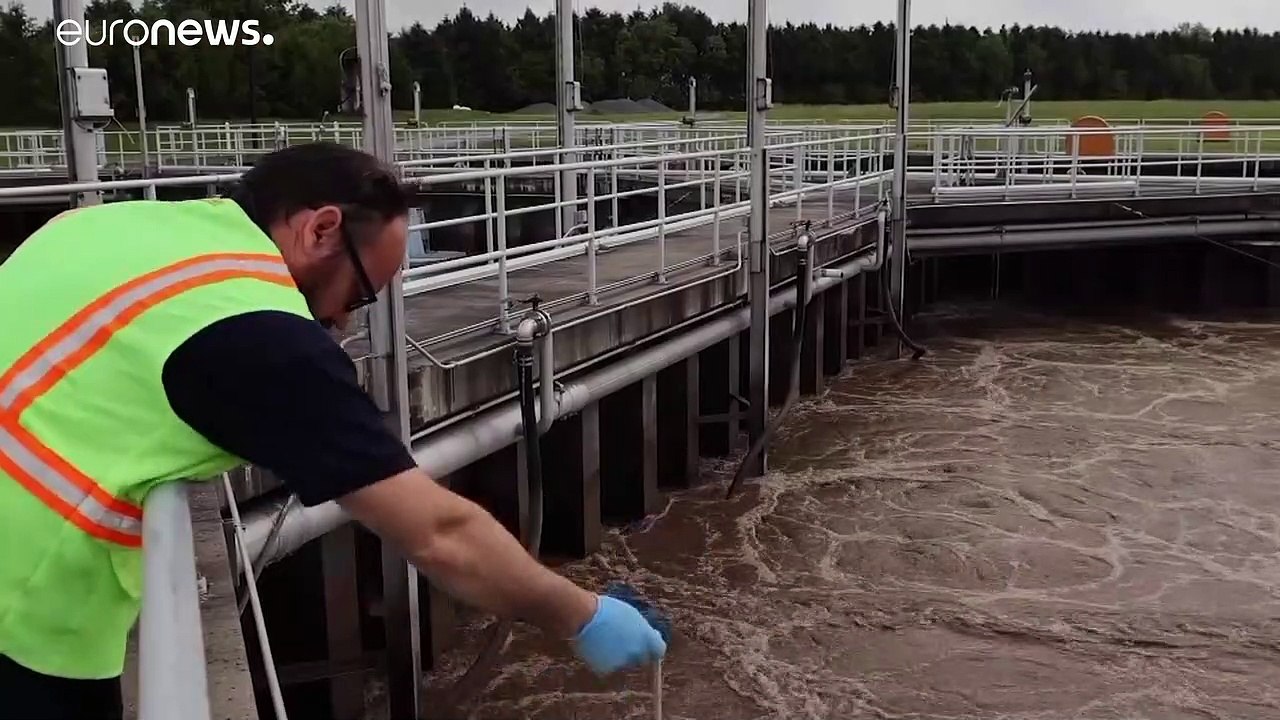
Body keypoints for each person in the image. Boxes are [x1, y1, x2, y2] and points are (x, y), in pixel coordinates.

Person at [0, 142, 667, 720]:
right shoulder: (257, 331)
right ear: (321, 228)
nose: (344, 325)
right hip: (24, 621)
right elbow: (439, 535)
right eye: (357, 296)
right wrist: (581, 615)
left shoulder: (106, 225)